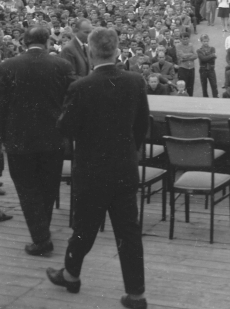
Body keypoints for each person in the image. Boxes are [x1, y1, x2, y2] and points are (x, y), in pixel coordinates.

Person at [46, 27, 149, 309]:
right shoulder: (135, 81)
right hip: (125, 168)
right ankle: (136, 294)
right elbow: (142, 126)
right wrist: (128, 151)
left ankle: (71, 274)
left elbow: (65, 128)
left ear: (90, 53)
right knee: (129, 233)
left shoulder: (81, 87)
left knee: (84, 228)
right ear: (117, 52)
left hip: (91, 171)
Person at [0, 26, 73, 253]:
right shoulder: (61, 65)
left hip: (18, 138)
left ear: (24, 42)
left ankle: (41, 238)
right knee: (48, 187)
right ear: (48, 42)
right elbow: (71, 101)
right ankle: (42, 233)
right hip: (53, 137)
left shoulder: (8, 66)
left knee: (26, 188)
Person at [196, 34, 218, 98]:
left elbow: (213, 59)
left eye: (206, 41)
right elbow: (203, 59)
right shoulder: (199, 50)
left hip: (211, 69)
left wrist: (206, 57)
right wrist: (211, 56)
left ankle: (215, 98)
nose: (205, 42)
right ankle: (205, 99)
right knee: (204, 86)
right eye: (204, 41)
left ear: (208, 41)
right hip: (203, 70)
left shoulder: (212, 48)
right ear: (201, 41)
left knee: (214, 85)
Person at [175, 32, 197, 97]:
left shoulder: (191, 45)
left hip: (191, 68)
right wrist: (190, 54)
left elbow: (196, 56)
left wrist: (185, 58)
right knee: (182, 87)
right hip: (183, 68)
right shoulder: (178, 46)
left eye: (187, 39)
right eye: (184, 39)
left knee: (191, 86)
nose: (185, 40)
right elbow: (181, 56)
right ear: (181, 39)